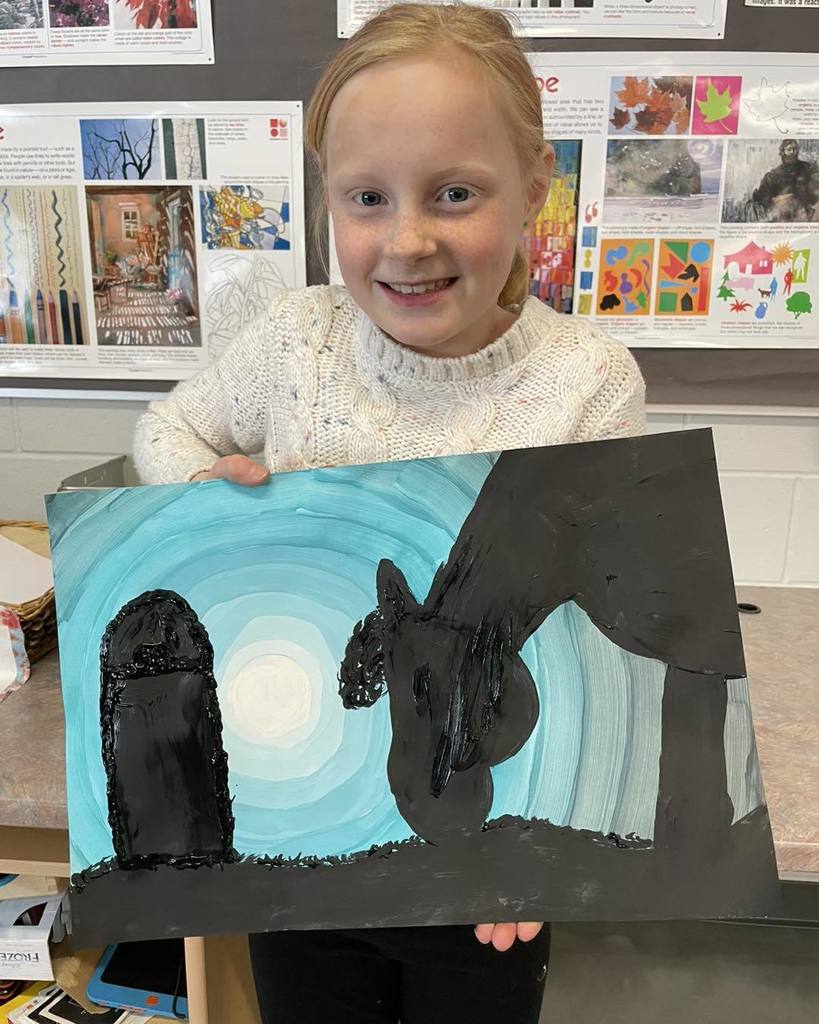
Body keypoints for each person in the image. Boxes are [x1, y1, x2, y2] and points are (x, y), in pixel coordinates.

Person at [133, 4, 645, 1021]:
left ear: (536, 188)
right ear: (327, 197)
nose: (408, 239)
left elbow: (603, 634)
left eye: (455, 193)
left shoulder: (586, 382)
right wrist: (205, 497)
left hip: (486, 865)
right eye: (367, 197)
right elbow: (165, 430)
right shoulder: (297, 342)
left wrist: (560, 827)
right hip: (302, 834)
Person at [751, 138, 819, 223]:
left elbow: (815, 188)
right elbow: (763, 195)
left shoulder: (807, 167)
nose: (792, 152)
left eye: (794, 149)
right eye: (789, 149)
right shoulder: (774, 174)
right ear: (783, 152)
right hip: (785, 212)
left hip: (806, 209)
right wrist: (778, 199)